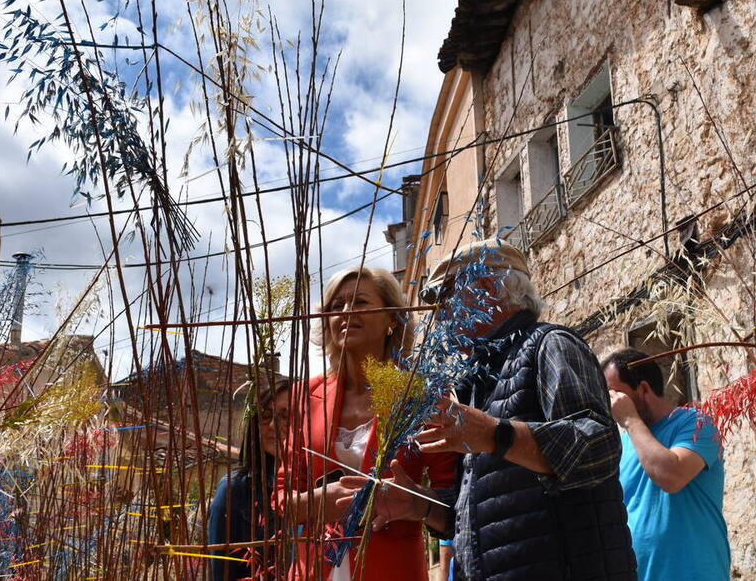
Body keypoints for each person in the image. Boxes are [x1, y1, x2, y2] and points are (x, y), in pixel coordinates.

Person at [344, 239, 636, 580]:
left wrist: (496, 434)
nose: (438, 314)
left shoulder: (549, 345)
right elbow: (484, 517)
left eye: (444, 297)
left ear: (486, 288)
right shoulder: (478, 383)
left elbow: (598, 446)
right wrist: (418, 505)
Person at [275, 267, 457, 581]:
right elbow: (280, 498)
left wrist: (415, 503)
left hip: (393, 569)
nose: (346, 312)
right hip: (315, 570)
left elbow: (455, 501)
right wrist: (316, 503)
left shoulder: (419, 395)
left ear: (392, 319)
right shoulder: (306, 396)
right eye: (336, 306)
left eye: (359, 302)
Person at [602, 349, 730, 581]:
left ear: (644, 389)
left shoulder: (697, 424)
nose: (612, 404)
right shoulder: (620, 445)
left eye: (616, 394)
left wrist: (630, 420)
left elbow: (672, 476)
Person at [208, 379, 292, 581]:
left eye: (286, 416)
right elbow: (222, 573)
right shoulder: (235, 489)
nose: (273, 425)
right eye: (265, 417)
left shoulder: (321, 485)